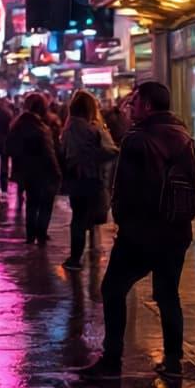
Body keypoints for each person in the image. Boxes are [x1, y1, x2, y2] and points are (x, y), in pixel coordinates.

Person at [78, 81, 195, 381]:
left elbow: (127, 189)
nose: (130, 108)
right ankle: (173, 361)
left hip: (142, 232)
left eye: (134, 103)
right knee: (168, 294)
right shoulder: (183, 135)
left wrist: (122, 219)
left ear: (146, 105)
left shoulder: (137, 138)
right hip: (176, 229)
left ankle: (112, 359)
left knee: (113, 289)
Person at [59, 89, 117, 270]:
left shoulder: (70, 127)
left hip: (77, 179)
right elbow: (108, 151)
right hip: (90, 178)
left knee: (79, 217)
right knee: (83, 217)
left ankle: (77, 257)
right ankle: (78, 256)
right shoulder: (90, 128)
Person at [8, 93, 62, 245]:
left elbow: (9, 148)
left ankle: (31, 235)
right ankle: (41, 233)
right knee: (46, 203)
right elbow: (49, 152)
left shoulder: (17, 124)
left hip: (26, 172)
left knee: (31, 203)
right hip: (43, 170)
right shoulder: (42, 127)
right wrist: (57, 172)